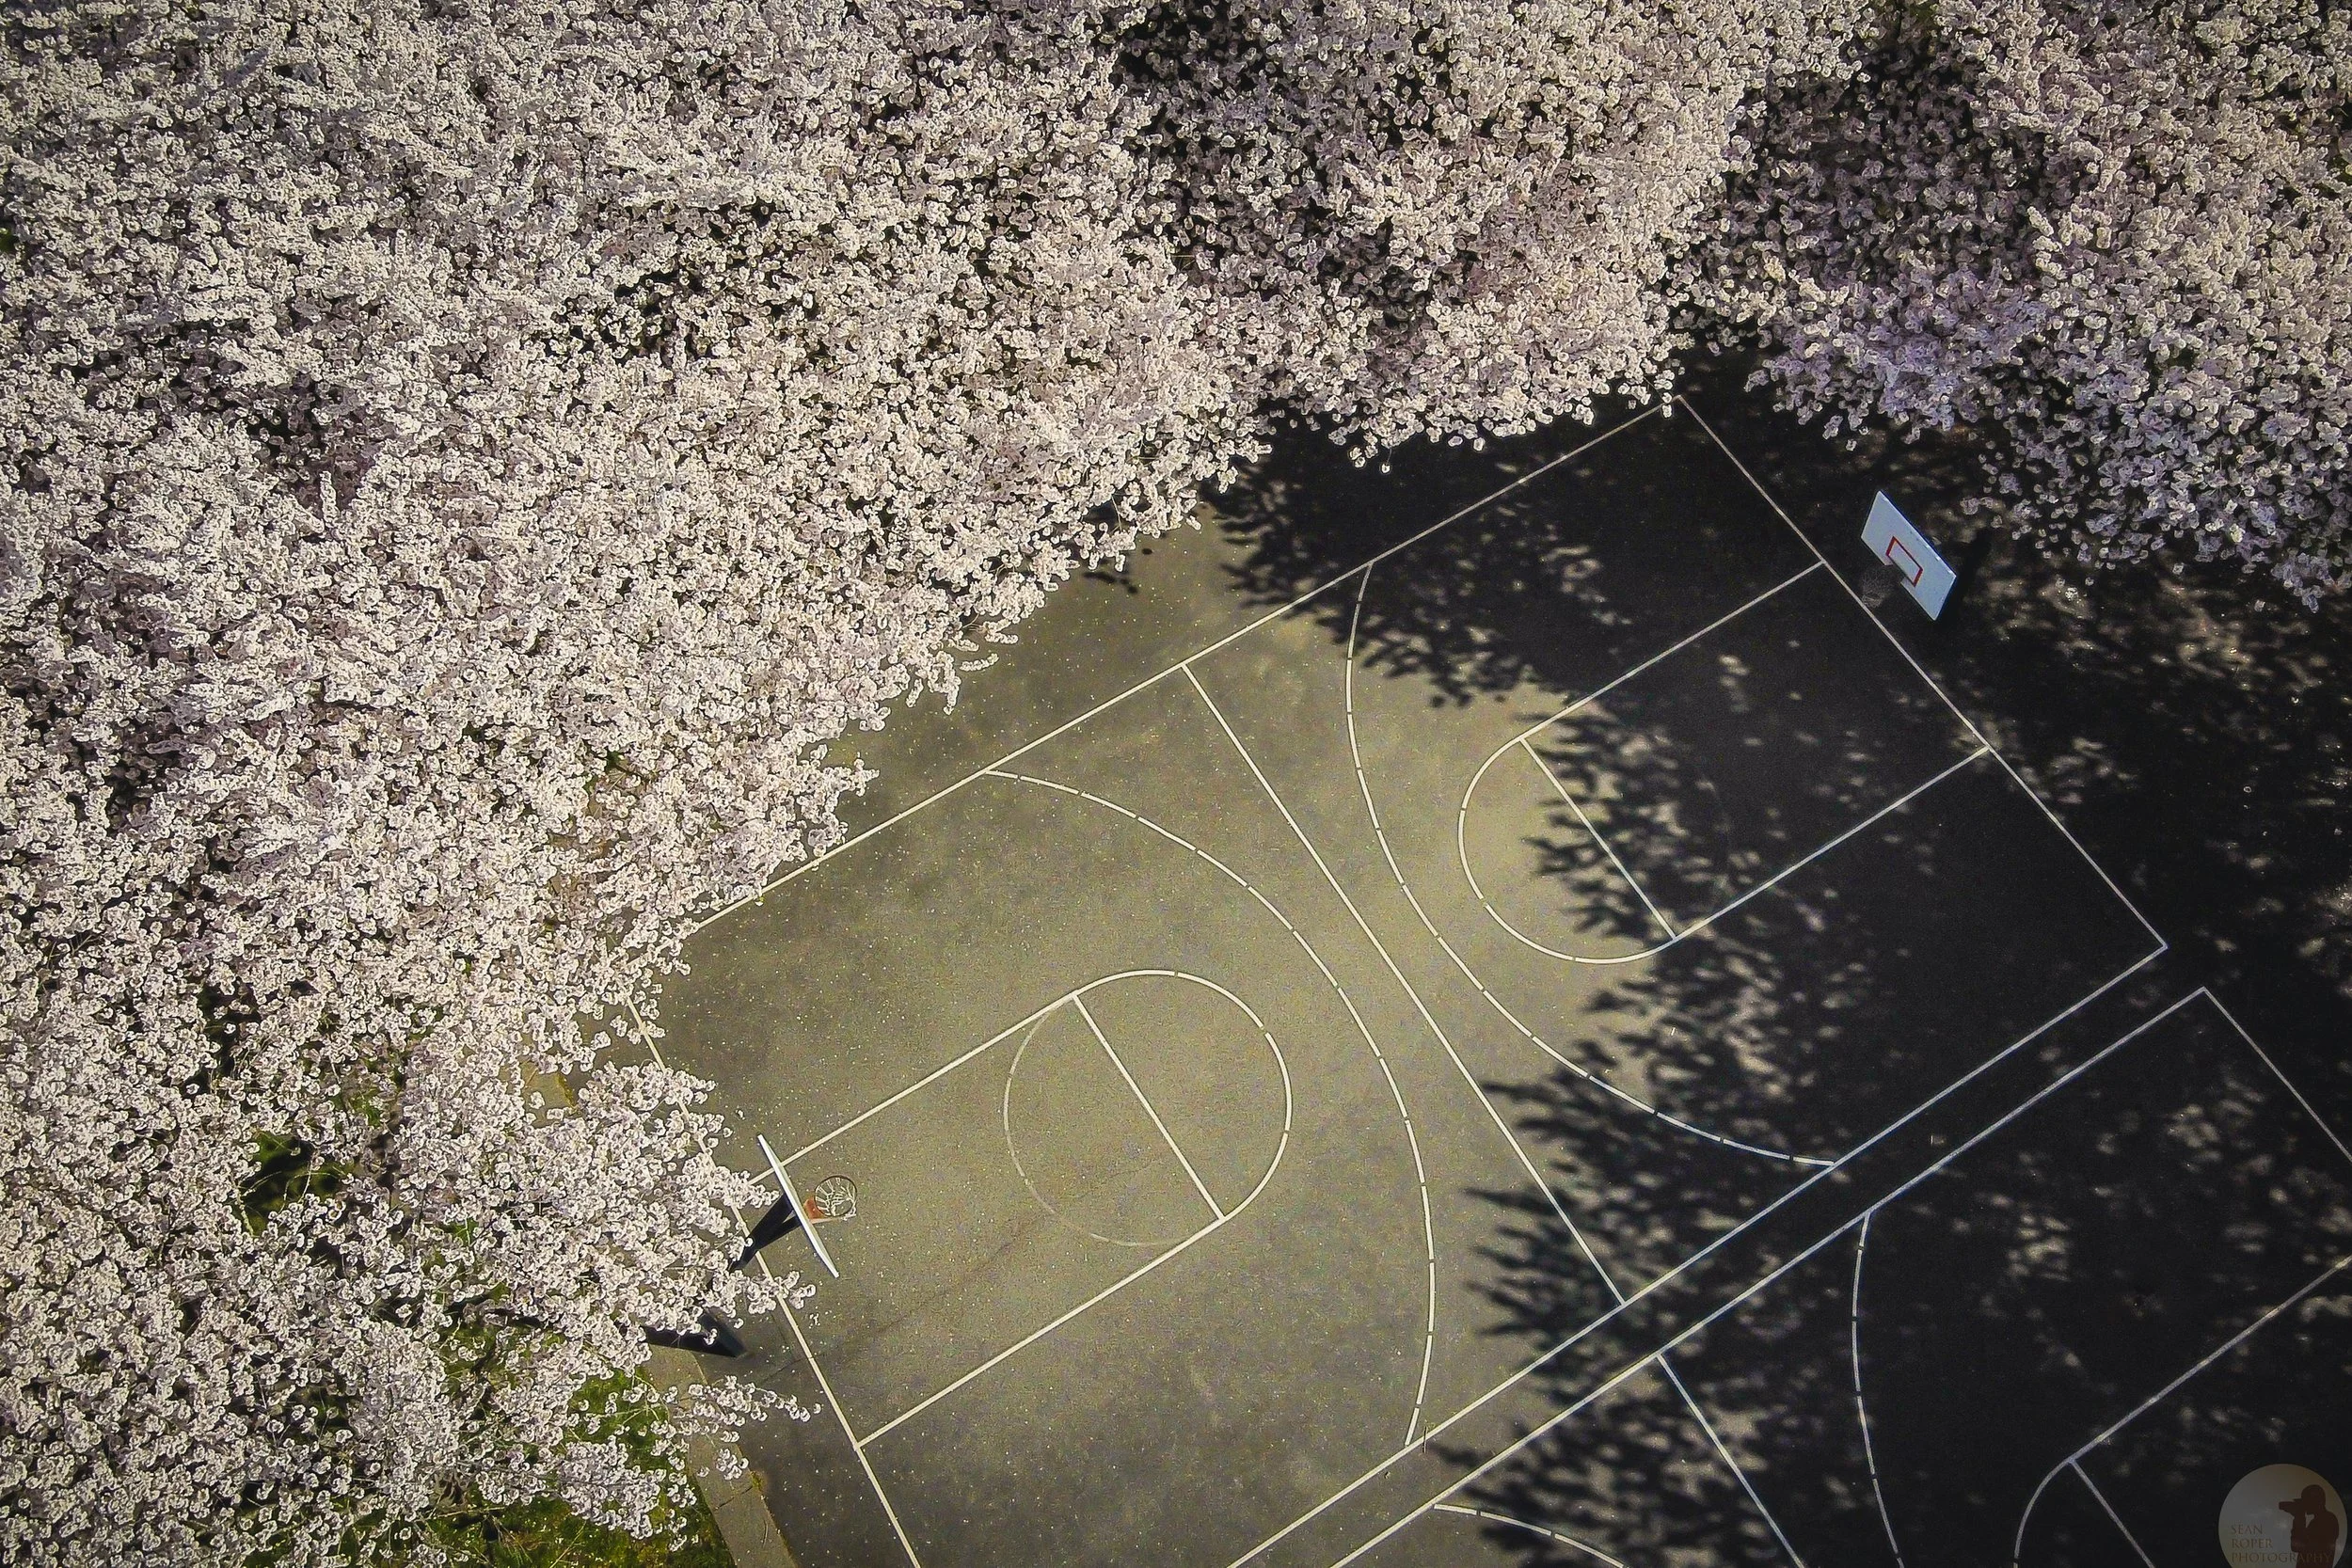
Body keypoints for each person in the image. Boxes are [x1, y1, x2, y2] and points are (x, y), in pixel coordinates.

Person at [2281, 1481, 2341, 1568]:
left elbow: (2296, 1546)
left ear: (2317, 1501)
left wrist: (2299, 1517)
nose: (2304, 1505)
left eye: (2306, 1501)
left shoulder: (2327, 1520)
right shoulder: (2319, 1520)